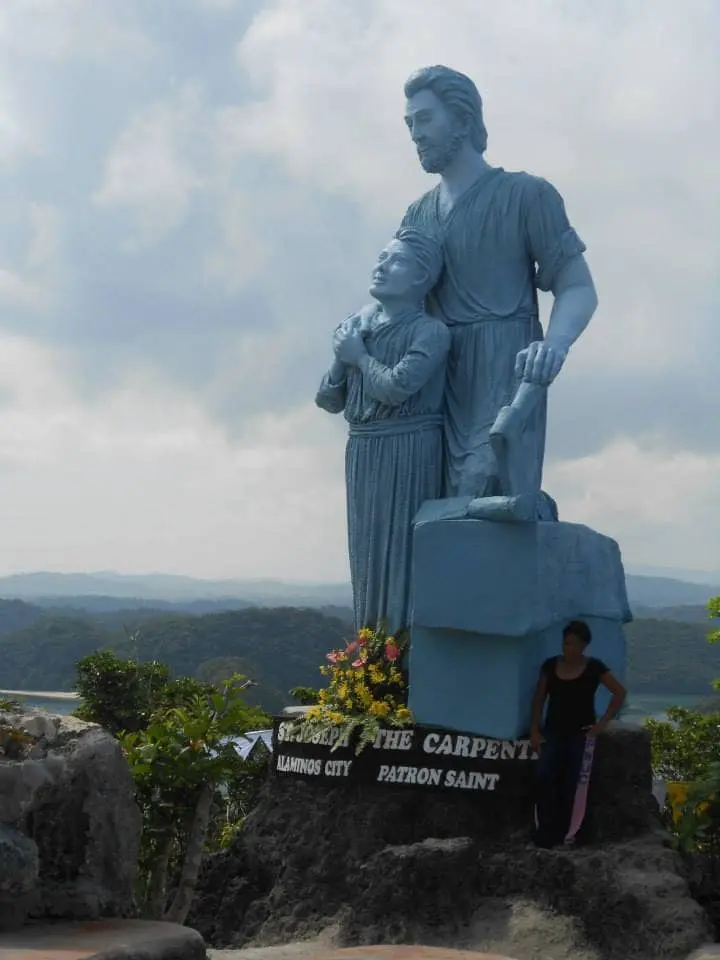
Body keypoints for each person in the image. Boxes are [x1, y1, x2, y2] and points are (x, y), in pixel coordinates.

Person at [399, 65, 598, 504]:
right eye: (409, 123)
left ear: (464, 119)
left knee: (485, 494)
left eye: (425, 119)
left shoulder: (526, 195)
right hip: (434, 377)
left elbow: (578, 285)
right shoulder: (416, 216)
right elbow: (395, 301)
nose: (415, 133)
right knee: (432, 509)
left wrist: (556, 345)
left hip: (506, 367)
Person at [315, 228, 450, 636]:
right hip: (363, 447)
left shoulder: (430, 332)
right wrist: (343, 359)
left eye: (395, 261)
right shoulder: (359, 323)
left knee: (401, 552)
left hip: (409, 447)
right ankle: (371, 653)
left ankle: (401, 655)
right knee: (367, 551)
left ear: (421, 277)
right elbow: (327, 399)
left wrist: (358, 355)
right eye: (381, 257)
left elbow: (394, 388)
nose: (381, 266)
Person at [529, 620, 627, 847]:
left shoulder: (594, 667)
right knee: (544, 778)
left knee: (574, 784)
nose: (567, 648)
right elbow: (538, 700)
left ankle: (572, 834)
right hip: (553, 732)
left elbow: (619, 692)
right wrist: (535, 731)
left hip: (581, 735)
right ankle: (545, 833)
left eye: (573, 644)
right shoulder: (550, 665)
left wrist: (601, 724)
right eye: (565, 643)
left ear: (583, 646)